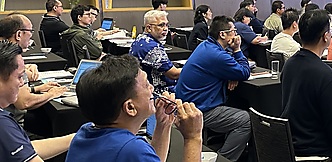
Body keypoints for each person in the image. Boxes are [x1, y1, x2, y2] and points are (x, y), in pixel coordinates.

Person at [66, 55, 204, 162]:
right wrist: (193, 138)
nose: (152, 88)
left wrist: (164, 123)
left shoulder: (85, 133)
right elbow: (137, 153)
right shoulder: (131, 149)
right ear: (130, 108)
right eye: (146, 85)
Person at [175, 16, 251, 162]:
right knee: (245, 120)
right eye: (233, 31)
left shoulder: (206, 46)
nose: (236, 35)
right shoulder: (216, 55)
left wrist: (231, 74)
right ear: (222, 34)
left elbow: (229, 65)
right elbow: (244, 72)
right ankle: (223, 159)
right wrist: (237, 50)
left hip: (189, 103)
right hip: (200, 109)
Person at [281, 9, 332, 159]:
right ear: (326, 36)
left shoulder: (289, 64)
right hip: (317, 151)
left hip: (290, 146)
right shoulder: (327, 75)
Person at [0, 40, 74, 162]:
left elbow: (25, 148)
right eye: (19, 77)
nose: (22, 83)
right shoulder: (3, 124)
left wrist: (75, 138)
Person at [0, 15, 68, 127]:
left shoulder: (4, 53)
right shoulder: (11, 59)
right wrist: (52, 94)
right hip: (13, 125)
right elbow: (24, 102)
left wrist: (36, 88)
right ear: (19, 34)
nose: (31, 35)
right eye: (30, 31)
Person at [129, 10, 181, 136]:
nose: (166, 29)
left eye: (167, 25)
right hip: (159, 93)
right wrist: (194, 66)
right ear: (149, 27)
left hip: (147, 88)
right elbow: (173, 74)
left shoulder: (141, 39)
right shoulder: (151, 47)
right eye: (161, 25)